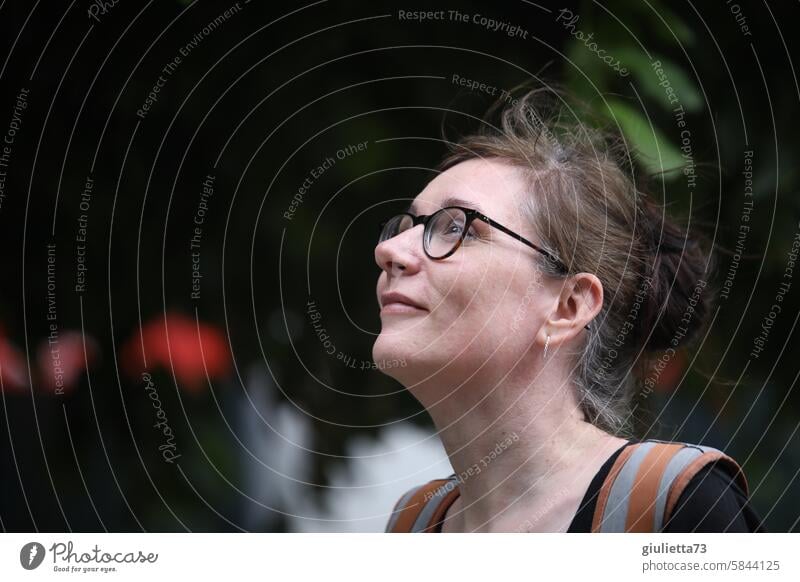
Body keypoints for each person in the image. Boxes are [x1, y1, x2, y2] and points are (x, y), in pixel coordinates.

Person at [372, 86, 765, 533]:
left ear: (567, 306)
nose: (391, 249)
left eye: (457, 227)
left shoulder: (673, 505)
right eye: (406, 225)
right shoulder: (413, 525)